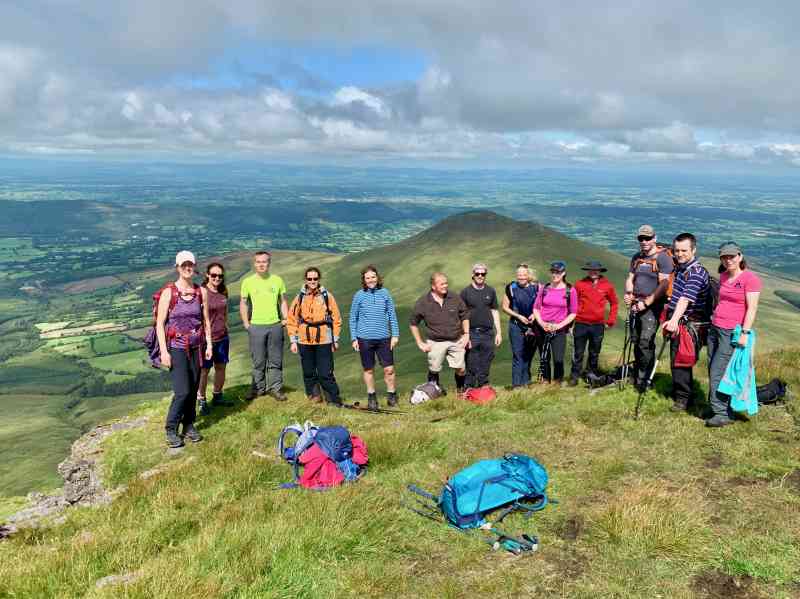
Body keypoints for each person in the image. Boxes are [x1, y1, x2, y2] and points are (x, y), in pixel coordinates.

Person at [156, 251, 213, 448]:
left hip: (197, 346)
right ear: (177, 267)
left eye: (190, 264)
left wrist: (209, 345)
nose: (188, 268)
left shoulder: (200, 291)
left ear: (194, 266)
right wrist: (164, 352)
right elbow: (159, 324)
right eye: (184, 265)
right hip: (177, 347)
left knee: (194, 388)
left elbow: (205, 320)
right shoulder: (169, 292)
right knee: (182, 391)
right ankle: (170, 428)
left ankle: (188, 425)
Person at [706, 241, 761, 427]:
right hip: (715, 327)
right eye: (724, 256)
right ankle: (720, 406)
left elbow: (752, 308)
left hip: (732, 332)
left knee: (718, 372)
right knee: (711, 367)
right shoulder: (723, 277)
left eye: (732, 256)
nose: (728, 260)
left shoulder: (749, 279)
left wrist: (744, 332)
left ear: (740, 256)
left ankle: (721, 413)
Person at [660, 233, 710, 412]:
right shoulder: (681, 269)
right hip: (679, 320)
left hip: (689, 325)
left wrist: (673, 320)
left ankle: (683, 399)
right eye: (677, 250)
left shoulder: (696, 273)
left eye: (684, 250)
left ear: (693, 250)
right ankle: (680, 392)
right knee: (676, 359)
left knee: (681, 361)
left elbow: (685, 299)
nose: (679, 254)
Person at [623, 224, 674, 392]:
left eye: (648, 238)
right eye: (641, 238)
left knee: (646, 341)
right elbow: (630, 277)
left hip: (652, 307)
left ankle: (645, 378)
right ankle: (637, 374)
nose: (644, 241)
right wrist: (629, 293)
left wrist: (646, 303)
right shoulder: (636, 257)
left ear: (655, 238)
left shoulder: (663, 258)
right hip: (635, 304)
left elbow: (664, 285)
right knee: (636, 340)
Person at [287, 267, 343, 406]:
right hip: (304, 339)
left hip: (324, 338)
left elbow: (336, 318)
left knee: (326, 372)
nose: (312, 281)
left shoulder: (327, 296)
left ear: (319, 279)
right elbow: (291, 319)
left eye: (315, 279)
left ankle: (333, 400)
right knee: (308, 372)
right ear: (305, 280)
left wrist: (335, 339)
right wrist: (293, 341)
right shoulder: (299, 297)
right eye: (310, 279)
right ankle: (315, 397)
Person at [410, 272, 469, 397]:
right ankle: (433, 393)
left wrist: (466, 334)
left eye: (446, 283)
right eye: (442, 284)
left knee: (461, 368)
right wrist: (420, 342)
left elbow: (465, 316)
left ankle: (460, 391)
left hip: (455, 339)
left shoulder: (454, 298)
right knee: (434, 368)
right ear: (433, 286)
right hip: (435, 341)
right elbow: (413, 323)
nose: (445, 286)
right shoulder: (423, 302)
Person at [349, 265, 400, 411]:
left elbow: (392, 315)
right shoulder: (359, 295)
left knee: (389, 369)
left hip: (384, 337)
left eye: (373, 277)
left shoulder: (385, 293)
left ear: (377, 278)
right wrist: (354, 338)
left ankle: (391, 396)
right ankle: (372, 397)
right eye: (367, 278)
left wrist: (395, 335)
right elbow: (353, 317)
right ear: (364, 280)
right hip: (364, 338)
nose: (371, 280)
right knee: (368, 369)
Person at [240, 251, 289, 401]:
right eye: (258, 262)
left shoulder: (277, 280)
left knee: (275, 359)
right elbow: (244, 303)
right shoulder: (247, 282)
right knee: (258, 360)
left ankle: (275, 388)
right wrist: (246, 323)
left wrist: (286, 319)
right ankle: (258, 389)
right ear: (254, 264)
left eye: (264, 261)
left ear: (269, 263)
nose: (261, 264)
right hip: (256, 326)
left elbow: (283, 301)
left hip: (275, 325)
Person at [569, 261, 618, 386]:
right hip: (580, 323)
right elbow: (572, 303)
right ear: (587, 270)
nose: (593, 272)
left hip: (598, 325)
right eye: (591, 269)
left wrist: (611, 321)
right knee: (578, 352)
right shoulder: (579, 284)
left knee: (594, 351)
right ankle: (574, 377)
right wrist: (570, 323)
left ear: (600, 271)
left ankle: (591, 375)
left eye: (596, 270)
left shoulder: (607, 286)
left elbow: (614, 303)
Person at [197, 262, 235, 415]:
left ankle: (218, 396)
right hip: (206, 339)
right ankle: (201, 400)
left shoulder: (223, 292)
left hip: (222, 337)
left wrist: (225, 326)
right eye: (214, 275)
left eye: (220, 276)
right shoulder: (202, 292)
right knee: (204, 370)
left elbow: (224, 312)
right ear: (207, 275)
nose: (217, 278)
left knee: (221, 367)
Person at [533, 261, 578, 384]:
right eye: (553, 272)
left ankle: (557, 382)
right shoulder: (544, 288)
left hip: (559, 329)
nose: (555, 275)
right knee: (544, 357)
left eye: (558, 272)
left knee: (558, 359)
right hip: (542, 327)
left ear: (563, 273)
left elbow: (573, 313)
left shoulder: (570, 290)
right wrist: (542, 323)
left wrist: (559, 325)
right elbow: (536, 308)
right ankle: (545, 382)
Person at [460, 263, 501, 389]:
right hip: (472, 332)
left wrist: (499, 332)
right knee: (471, 361)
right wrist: (464, 335)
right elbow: (461, 314)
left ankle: (484, 386)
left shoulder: (490, 291)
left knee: (486, 360)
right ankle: (469, 388)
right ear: (473, 275)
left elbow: (494, 311)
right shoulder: (465, 292)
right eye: (477, 273)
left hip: (488, 333)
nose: (480, 276)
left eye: (483, 274)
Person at [502, 263, 541, 388]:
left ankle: (526, 382)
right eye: (519, 275)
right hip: (516, 325)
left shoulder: (537, 287)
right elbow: (504, 307)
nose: (521, 277)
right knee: (518, 355)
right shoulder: (511, 287)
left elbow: (544, 304)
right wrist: (518, 316)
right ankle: (516, 385)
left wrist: (535, 315)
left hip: (533, 326)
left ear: (528, 275)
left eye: (524, 274)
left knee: (528, 355)